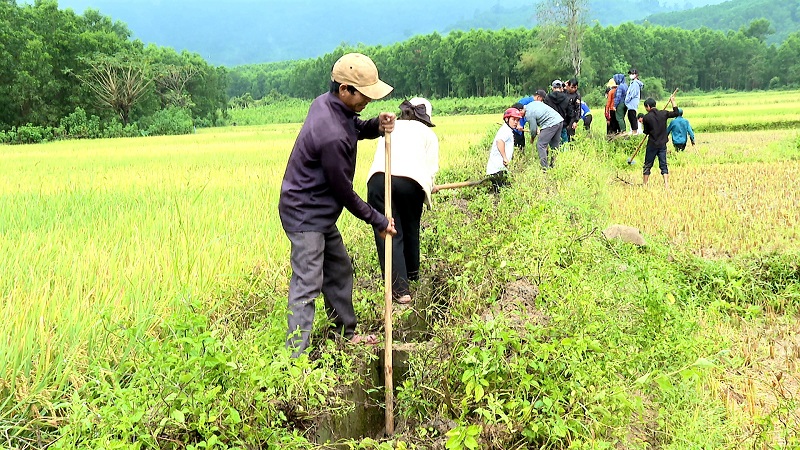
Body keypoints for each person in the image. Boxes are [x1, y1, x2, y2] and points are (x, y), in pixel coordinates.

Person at [278, 52, 397, 357]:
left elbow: (353, 126)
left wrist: (375, 125)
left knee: (339, 269)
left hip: (320, 209)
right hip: (305, 213)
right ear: (344, 89)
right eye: (364, 95)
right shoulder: (330, 134)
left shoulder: (328, 104)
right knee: (307, 283)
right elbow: (344, 192)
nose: (367, 101)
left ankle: (345, 333)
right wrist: (379, 220)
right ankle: (295, 361)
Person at [366, 97, 439, 305]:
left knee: (387, 232)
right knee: (409, 227)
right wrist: (429, 184)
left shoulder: (391, 128)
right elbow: (431, 169)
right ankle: (413, 276)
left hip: (380, 180)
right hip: (411, 183)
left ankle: (400, 290)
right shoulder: (428, 134)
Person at [641, 94, 681, 188]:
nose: (646, 109)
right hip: (662, 144)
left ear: (648, 106)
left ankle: (645, 184)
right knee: (663, 164)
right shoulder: (663, 113)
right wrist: (673, 101)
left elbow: (646, 132)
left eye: (646, 107)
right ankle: (666, 184)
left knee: (648, 164)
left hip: (652, 144)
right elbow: (676, 113)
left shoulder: (646, 117)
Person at [524, 90, 564, 170]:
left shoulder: (528, 113)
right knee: (554, 146)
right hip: (559, 120)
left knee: (541, 145)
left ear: (521, 110)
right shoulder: (533, 104)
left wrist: (532, 138)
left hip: (551, 123)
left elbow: (533, 130)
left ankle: (544, 168)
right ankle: (554, 165)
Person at [486, 108, 523, 190]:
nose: (515, 122)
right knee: (506, 191)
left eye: (517, 120)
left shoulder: (507, 129)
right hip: (498, 169)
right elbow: (499, 141)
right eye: (513, 119)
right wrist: (505, 157)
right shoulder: (505, 130)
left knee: (501, 192)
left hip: (498, 169)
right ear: (507, 119)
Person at [544, 80, 571, 144]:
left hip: (551, 124)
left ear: (553, 88)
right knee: (564, 144)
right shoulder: (566, 98)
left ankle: (554, 154)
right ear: (561, 88)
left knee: (553, 144)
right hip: (562, 124)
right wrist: (568, 123)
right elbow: (570, 113)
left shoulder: (547, 98)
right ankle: (565, 154)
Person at [625, 69, 644, 135]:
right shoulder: (632, 82)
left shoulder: (635, 83)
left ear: (636, 75)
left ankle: (635, 132)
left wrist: (627, 100)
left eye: (632, 74)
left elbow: (633, 93)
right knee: (630, 116)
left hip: (632, 103)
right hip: (631, 104)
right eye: (630, 74)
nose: (631, 75)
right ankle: (634, 131)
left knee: (632, 116)